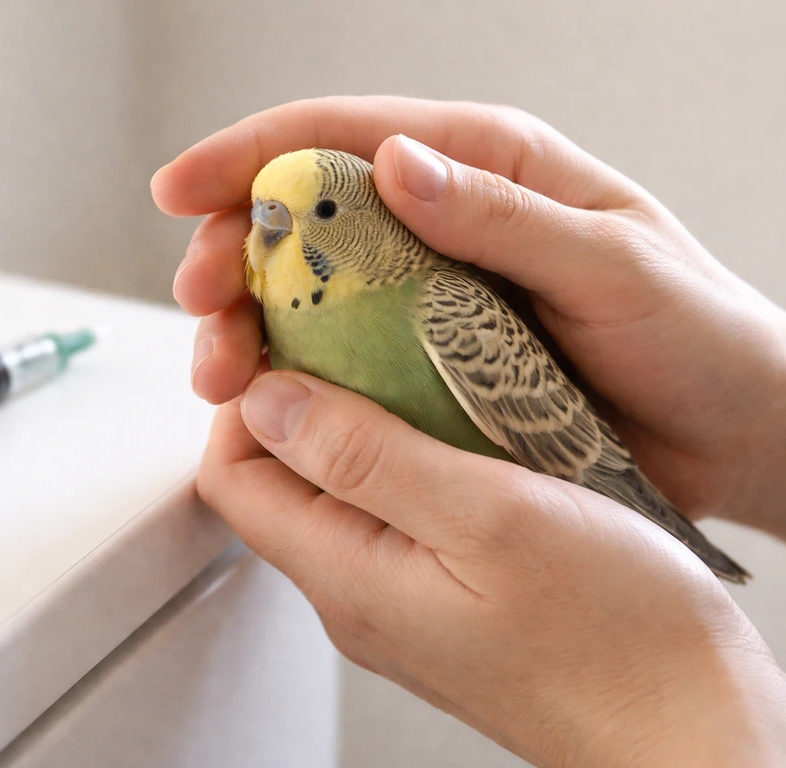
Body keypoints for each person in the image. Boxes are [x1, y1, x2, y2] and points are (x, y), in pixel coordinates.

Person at [151, 96, 786, 766]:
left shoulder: (445, 312)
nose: (270, 226)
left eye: (326, 212)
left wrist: (652, 701)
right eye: (265, 212)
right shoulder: (283, 319)